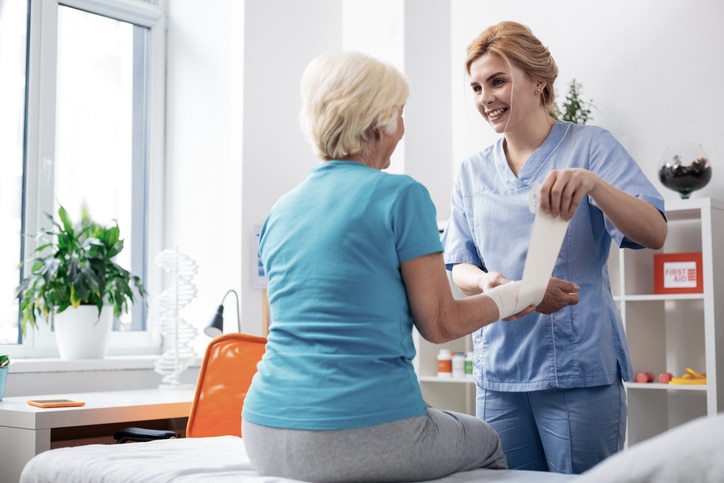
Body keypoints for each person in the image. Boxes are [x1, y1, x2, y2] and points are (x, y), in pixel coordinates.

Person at [241, 50, 544, 483]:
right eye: (399, 114)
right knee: (486, 440)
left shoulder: (281, 209)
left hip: (262, 432)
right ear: (379, 120)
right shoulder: (401, 196)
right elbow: (439, 324)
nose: (402, 128)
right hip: (354, 434)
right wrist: (518, 295)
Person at [442, 21, 668, 475]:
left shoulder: (590, 147)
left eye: (498, 80)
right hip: (499, 371)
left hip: (577, 367)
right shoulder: (472, 171)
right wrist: (486, 281)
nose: (486, 97)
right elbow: (458, 262)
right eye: (477, 86)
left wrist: (594, 185)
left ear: (538, 81)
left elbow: (655, 232)